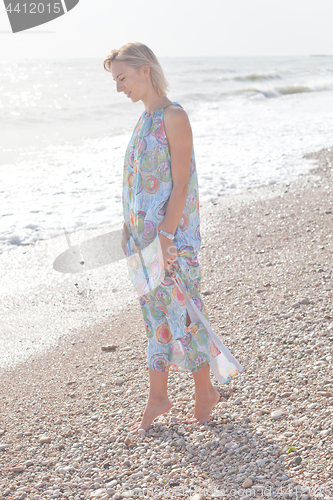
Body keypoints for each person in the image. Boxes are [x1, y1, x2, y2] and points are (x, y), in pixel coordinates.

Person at [103, 42, 242, 432]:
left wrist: (165, 236)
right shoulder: (143, 121)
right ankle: (158, 397)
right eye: (115, 80)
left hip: (171, 240)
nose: (119, 88)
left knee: (184, 314)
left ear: (145, 70)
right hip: (142, 242)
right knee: (155, 319)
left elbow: (181, 185)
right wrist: (129, 230)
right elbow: (137, 186)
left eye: (122, 78)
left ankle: (205, 393)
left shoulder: (173, 116)